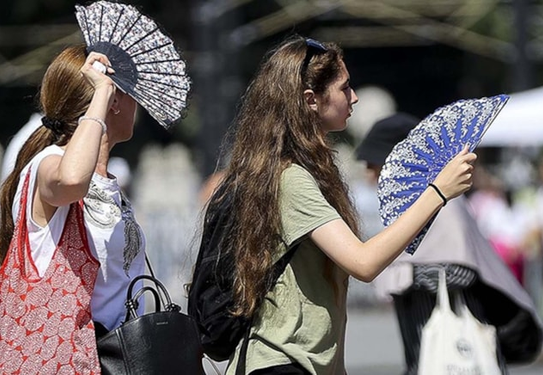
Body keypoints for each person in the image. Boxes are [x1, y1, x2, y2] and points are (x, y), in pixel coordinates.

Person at [206, 35, 477, 375]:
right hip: (282, 363)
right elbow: (363, 263)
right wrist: (438, 192)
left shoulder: (303, 172)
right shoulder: (291, 180)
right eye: (345, 88)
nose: (355, 97)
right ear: (311, 100)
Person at [0, 46, 146, 374]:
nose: (136, 104)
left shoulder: (111, 186)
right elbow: (72, 180)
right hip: (58, 361)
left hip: (109, 359)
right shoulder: (48, 165)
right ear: (112, 100)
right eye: (130, 93)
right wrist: (101, 94)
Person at [355, 113, 543, 375]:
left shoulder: (443, 200)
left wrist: (397, 271)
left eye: (373, 164)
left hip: (459, 351)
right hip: (424, 352)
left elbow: (462, 272)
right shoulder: (411, 205)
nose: (369, 175)